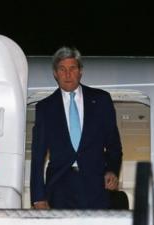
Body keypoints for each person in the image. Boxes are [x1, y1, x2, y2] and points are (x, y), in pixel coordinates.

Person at [30, 46, 123, 209]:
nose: (67, 74)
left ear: (80, 71)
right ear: (55, 73)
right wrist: (38, 197)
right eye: (62, 69)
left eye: (72, 68)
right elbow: (38, 157)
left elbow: (114, 146)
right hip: (59, 189)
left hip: (96, 189)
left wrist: (112, 170)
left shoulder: (101, 101)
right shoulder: (44, 108)